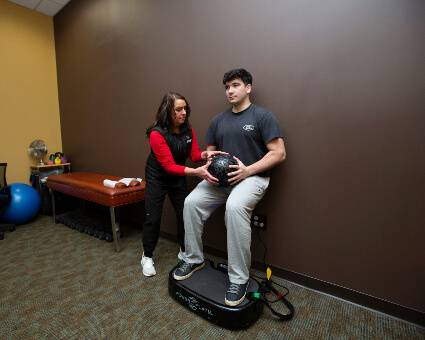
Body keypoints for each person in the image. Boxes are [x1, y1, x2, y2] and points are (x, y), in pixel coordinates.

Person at [173, 69, 286, 307]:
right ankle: (193, 259)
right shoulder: (218, 120)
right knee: (191, 203)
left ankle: (239, 279)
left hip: (252, 178)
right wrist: (207, 169)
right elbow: (210, 154)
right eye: (226, 87)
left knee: (234, 208)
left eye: (235, 85)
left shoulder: (263, 117)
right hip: (221, 182)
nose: (230, 91)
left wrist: (247, 171)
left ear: (248, 87)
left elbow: (279, 153)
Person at [141, 92, 225, 277]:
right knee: (153, 218)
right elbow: (169, 166)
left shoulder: (188, 129)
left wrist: (206, 155)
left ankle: (184, 251)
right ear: (167, 111)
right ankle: (147, 256)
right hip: (158, 178)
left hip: (177, 178)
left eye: (185, 108)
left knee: (184, 215)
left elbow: (194, 154)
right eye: (178, 109)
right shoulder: (157, 134)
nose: (183, 112)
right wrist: (197, 172)